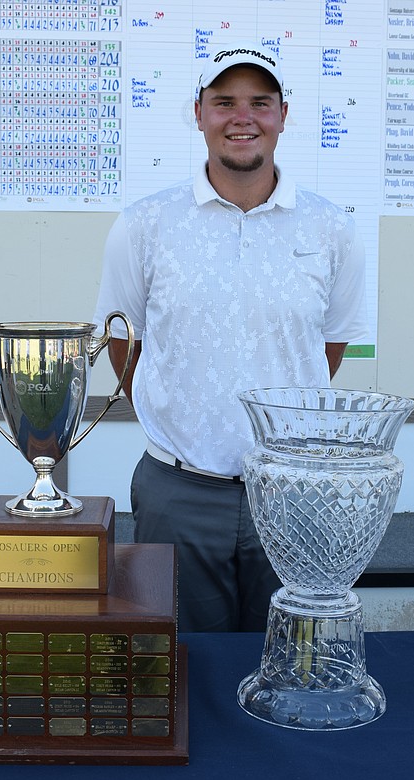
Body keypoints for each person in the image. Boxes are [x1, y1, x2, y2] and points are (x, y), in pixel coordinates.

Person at [92, 42, 368, 632]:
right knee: (183, 661)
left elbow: (330, 346)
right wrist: (176, 416)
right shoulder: (144, 224)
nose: (243, 118)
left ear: (283, 115)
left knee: (287, 656)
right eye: (224, 102)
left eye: (260, 102)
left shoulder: (331, 228)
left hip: (293, 491)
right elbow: (122, 339)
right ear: (199, 114)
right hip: (178, 491)